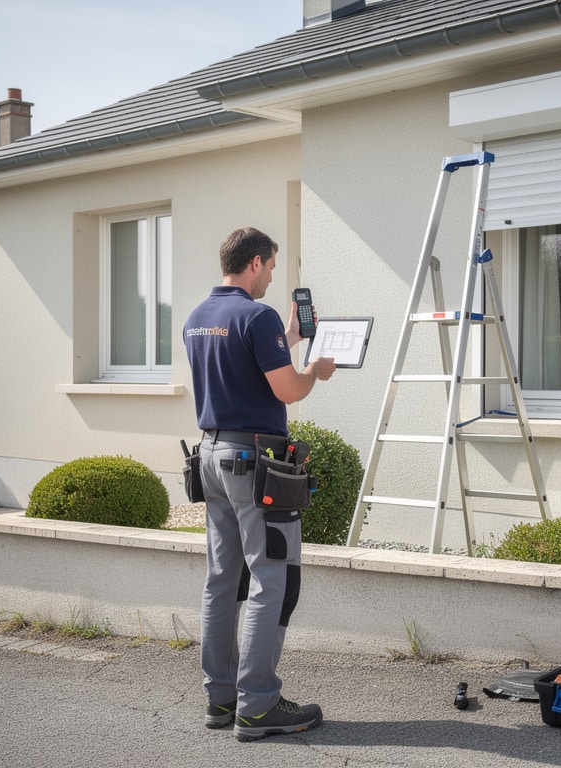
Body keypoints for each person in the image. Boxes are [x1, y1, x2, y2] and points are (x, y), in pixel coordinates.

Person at [182, 226, 336, 741]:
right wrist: (314, 369)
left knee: (223, 580)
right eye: (270, 265)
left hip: (210, 456)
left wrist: (287, 340)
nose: (272, 274)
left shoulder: (199, 317)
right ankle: (258, 705)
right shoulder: (256, 315)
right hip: (253, 463)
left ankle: (221, 700)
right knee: (272, 577)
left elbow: (241, 369)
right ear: (252, 263)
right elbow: (287, 389)